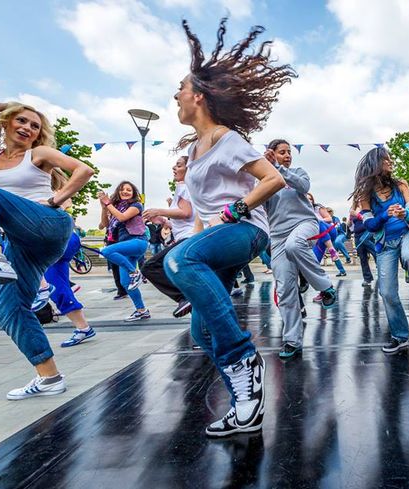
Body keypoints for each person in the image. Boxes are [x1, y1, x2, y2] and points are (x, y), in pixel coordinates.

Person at [163, 18, 292, 437]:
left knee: (179, 260)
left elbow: (274, 179)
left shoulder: (225, 137)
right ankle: (246, 405)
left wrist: (236, 210)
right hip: (216, 238)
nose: (175, 96)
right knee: (202, 331)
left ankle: (243, 357)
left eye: (180, 89)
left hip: (246, 231)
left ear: (198, 96)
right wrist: (201, 234)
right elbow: (201, 208)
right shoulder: (196, 149)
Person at [0, 100, 94, 399]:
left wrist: (56, 200)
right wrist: (10, 105)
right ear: (7, 122)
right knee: (8, 312)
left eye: (35, 126)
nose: (27, 128)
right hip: (22, 242)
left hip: (47, 223)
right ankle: (49, 377)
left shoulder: (38, 154)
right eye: (22, 121)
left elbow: (84, 170)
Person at [351, 147, 409, 354]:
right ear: (376, 164)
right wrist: (385, 215)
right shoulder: (365, 195)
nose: (391, 162)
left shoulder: (401, 185)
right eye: (387, 160)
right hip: (385, 245)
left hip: (407, 235)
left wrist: (405, 213)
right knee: (387, 292)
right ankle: (399, 335)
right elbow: (371, 226)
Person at [263, 138, 337, 359]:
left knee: (294, 245)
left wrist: (278, 168)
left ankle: (324, 287)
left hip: (304, 225)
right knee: (285, 289)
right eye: (282, 152)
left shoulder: (298, 172)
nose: (287, 155)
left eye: (288, 152)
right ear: (271, 153)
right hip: (277, 235)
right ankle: (292, 340)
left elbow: (304, 187)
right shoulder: (264, 179)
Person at [140, 156, 196, 318]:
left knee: (151, 267)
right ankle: (191, 300)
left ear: (189, 169)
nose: (174, 168)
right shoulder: (187, 187)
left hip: (189, 237)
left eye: (178, 165)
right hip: (187, 236)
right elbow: (186, 219)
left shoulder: (184, 187)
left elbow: (186, 213)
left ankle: (184, 297)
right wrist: (164, 221)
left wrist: (160, 211)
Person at [98, 181, 150, 322]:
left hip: (137, 242)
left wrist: (108, 204)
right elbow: (104, 225)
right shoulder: (116, 207)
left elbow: (122, 217)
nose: (125, 192)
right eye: (122, 190)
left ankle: (135, 272)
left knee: (106, 251)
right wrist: (104, 208)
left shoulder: (136, 205)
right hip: (125, 247)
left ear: (133, 193)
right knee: (126, 283)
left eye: (129, 190)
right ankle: (142, 310)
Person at [350, 206, 376, 286]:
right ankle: (367, 278)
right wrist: (350, 218)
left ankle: (381, 270)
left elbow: (372, 220)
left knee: (375, 253)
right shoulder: (353, 209)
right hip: (357, 234)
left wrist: (357, 215)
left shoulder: (368, 206)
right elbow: (350, 224)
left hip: (367, 232)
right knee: (362, 257)